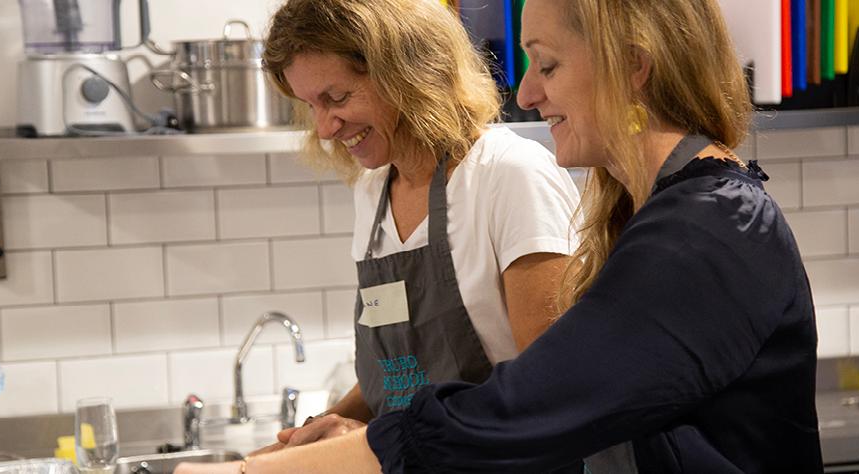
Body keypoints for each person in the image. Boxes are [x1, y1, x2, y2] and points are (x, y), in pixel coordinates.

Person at [176, 0, 824, 472]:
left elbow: (532, 405)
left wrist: (262, 470)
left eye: (547, 64)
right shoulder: (656, 213)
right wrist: (349, 433)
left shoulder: (708, 229)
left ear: (633, 67)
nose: (528, 93)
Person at [262, 0, 580, 454]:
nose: (325, 129)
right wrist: (317, 437)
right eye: (311, 105)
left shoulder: (508, 174)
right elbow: (399, 377)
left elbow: (547, 383)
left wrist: (373, 441)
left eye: (337, 98)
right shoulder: (373, 191)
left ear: (407, 74)